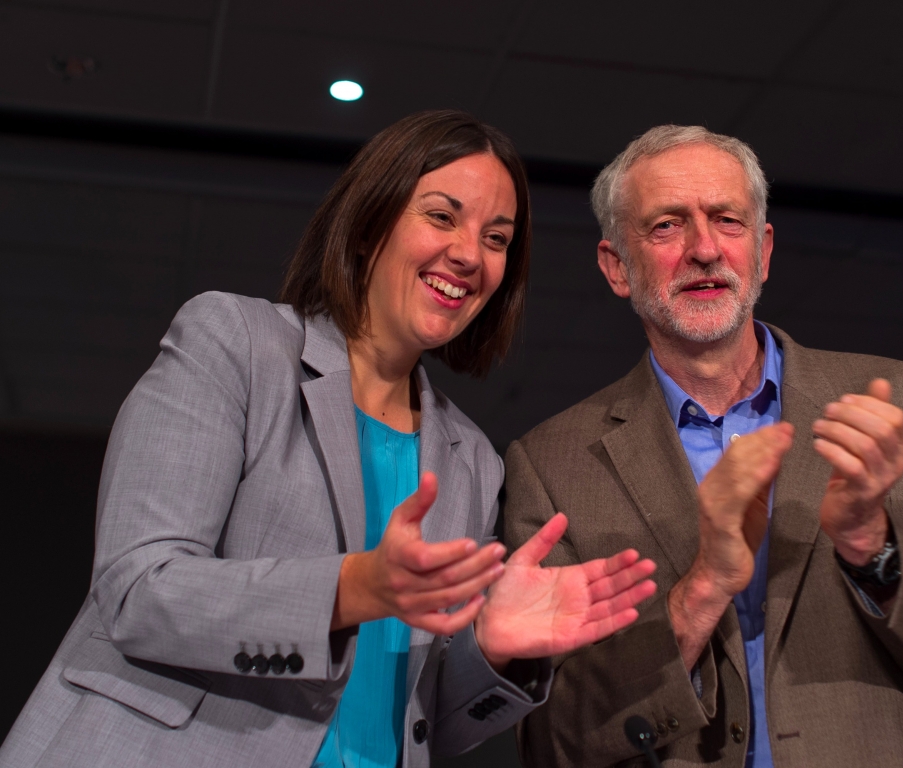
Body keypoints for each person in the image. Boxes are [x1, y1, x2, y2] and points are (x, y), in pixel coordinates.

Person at [0, 110, 657, 768]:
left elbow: (423, 724)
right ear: (371, 226)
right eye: (441, 215)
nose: (468, 252)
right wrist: (352, 589)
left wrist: (492, 647)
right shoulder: (235, 344)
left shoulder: (472, 462)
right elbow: (139, 591)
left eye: (496, 237)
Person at [503, 125, 903, 768]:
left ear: (764, 250)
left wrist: (872, 544)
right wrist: (702, 590)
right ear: (616, 267)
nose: (703, 249)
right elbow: (552, 743)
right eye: (666, 226)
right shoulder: (551, 463)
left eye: (727, 220)